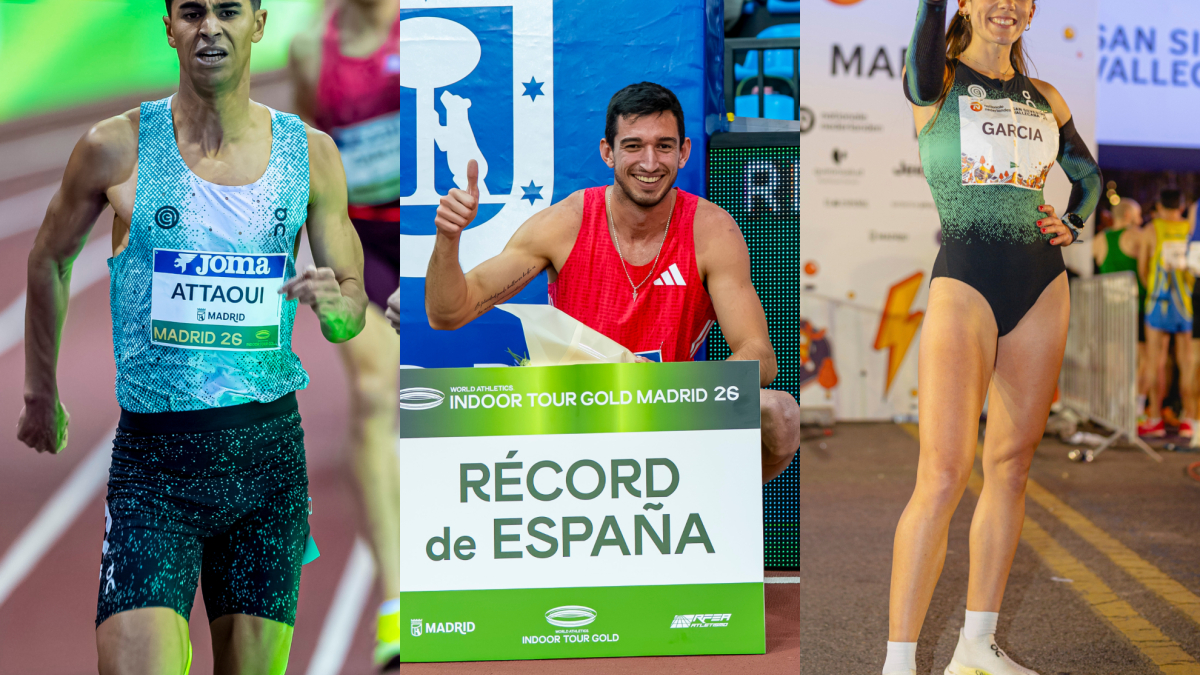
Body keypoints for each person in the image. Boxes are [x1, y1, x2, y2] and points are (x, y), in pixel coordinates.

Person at [17, 1, 368, 672]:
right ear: (170, 27)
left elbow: (350, 307)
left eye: (229, 10)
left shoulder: (311, 155)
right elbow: (49, 259)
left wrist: (338, 307)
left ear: (258, 24)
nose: (210, 26)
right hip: (154, 469)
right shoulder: (117, 147)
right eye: (192, 12)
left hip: (267, 466)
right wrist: (40, 391)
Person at [423, 82, 801, 484]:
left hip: (669, 412)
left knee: (780, 413)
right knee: (439, 415)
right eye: (634, 146)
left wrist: (681, 388)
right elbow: (448, 313)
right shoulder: (565, 224)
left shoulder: (712, 231)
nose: (650, 162)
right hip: (571, 411)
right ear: (608, 152)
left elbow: (760, 355)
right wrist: (448, 237)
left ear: (684, 152)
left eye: (664, 146)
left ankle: (711, 498)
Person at [888, 2, 1101, 674]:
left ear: (1032, 11)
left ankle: (976, 649)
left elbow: (1089, 178)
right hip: (966, 282)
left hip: (1041, 285)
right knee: (944, 473)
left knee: (1010, 467)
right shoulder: (937, 80)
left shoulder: (1047, 97)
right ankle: (898, 663)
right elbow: (925, 38)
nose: (1005, 5)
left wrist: (1075, 221)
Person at [289, 0, 403, 667]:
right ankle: (397, 604)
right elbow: (306, 157)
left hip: (437, 233)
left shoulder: (431, 23)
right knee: (374, 392)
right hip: (358, 246)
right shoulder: (311, 50)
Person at [1138, 189, 1194, 438]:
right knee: (1188, 361)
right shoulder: (1190, 229)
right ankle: (1190, 419)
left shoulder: (1151, 229)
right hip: (1186, 304)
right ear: (1181, 207)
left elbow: (1143, 268)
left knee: (1155, 361)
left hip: (1157, 303)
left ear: (1159, 206)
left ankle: (1155, 419)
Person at [1094, 198, 1150, 416]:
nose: (1141, 220)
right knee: (1144, 358)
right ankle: (1136, 404)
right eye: (1138, 215)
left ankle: (1114, 406)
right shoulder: (1137, 235)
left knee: (1114, 357)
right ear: (1128, 216)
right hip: (1137, 306)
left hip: (1110, 307)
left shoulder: (1099, 239)